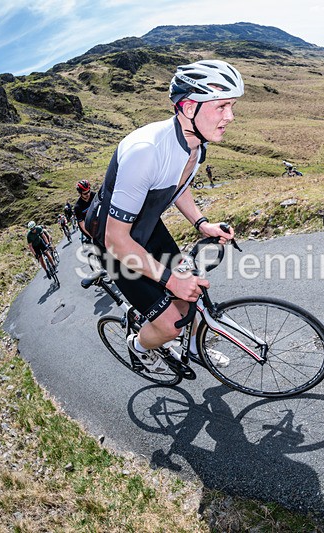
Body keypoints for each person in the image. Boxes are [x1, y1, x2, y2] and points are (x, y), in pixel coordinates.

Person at [84, 59, 238, 373]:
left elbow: (177, 185)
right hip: (114, 241)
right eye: (221, 106)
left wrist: (201, 223)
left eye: (232, 106)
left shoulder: (195, 144)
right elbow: (117, 240)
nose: (230, 116)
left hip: (148, 228)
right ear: (189, 106)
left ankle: (194, 346)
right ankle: (138, 346)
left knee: (190, 290)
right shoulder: (147, 151)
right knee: (170, 324)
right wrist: (169, 281)